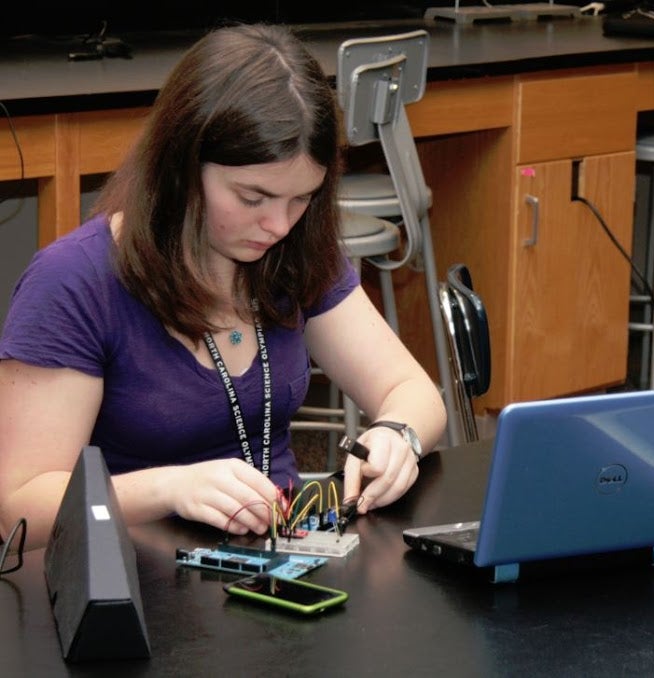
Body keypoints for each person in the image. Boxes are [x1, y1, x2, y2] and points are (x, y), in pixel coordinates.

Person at [0, 24, 447, 550]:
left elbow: (412, 391)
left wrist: (399, 435)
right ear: (182, 166)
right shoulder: (73, 282)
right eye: (252, 197)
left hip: (277, 561)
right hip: (138, 576)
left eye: (301, 199)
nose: (279, 225)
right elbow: (20, 508)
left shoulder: (296, 249)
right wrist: (169, 487)